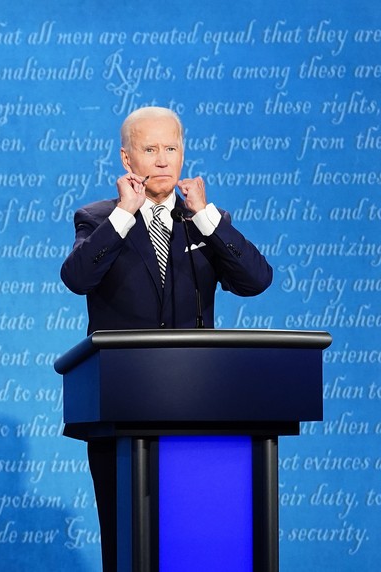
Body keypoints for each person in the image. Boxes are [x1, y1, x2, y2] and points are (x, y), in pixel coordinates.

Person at [58, 105, 272, 571]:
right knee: (127, 543)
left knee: (193, 545)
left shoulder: (204, 222)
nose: (161, 160)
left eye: (170, 148)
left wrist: (209, 218)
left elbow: (255, 281)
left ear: (183, 154)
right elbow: (77, 278)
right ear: (126, 159)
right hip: (119, 408)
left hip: (197, 407)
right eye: (149, 149)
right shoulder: (97, 219)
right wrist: (124, 215)